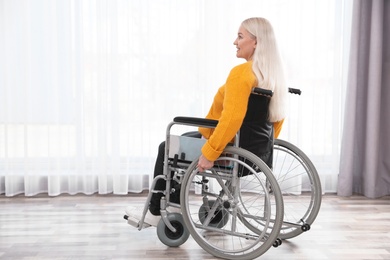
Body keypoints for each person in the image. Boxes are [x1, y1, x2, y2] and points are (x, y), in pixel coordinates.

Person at [127, 17, 287, 224]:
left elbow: (231, 119)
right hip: (255, 151)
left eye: (240, 36)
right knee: (185, 139)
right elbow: (277, 119)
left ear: (256, 42)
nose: (235, 42)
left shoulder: (242, 73)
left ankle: (157, 211)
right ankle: (175, 203)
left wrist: (211, 152)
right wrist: (262, 148)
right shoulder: (272, 75)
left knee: (167, 147)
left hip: (230, 148)